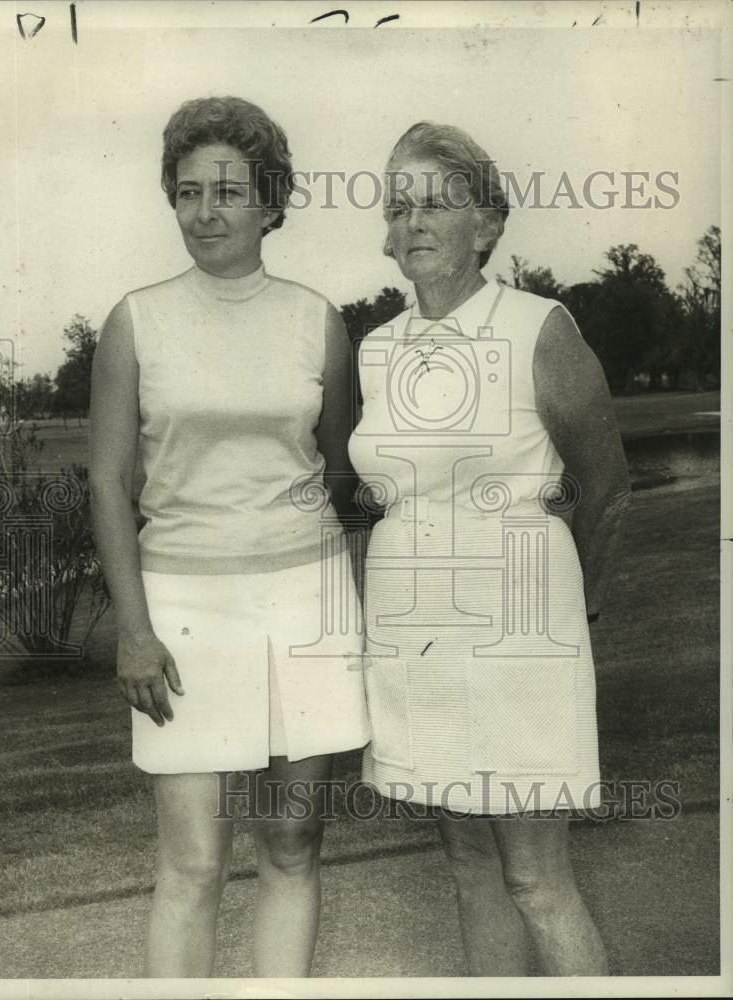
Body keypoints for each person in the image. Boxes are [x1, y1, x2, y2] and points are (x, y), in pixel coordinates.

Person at [89, 95, 369, 978]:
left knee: (291, 840)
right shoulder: (136, 319)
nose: (205, 212)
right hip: (182, 611)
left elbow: (342, 474)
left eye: (227, 192)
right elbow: (106, 480)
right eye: (186, 192)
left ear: (270, 204)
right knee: (195, 860)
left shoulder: (317, 319)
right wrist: (133, 628)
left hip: (306, 598)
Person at [348, 121, 631, 976]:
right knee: (468, 868)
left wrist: (565, 612)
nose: (415, 221)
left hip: (518, 639)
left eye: (439, 201)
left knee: (536, 881)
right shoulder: (375, 349)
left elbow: (606, 488)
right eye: (400, 206)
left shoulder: (539, 327)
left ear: (489, 222)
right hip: (413, 642)